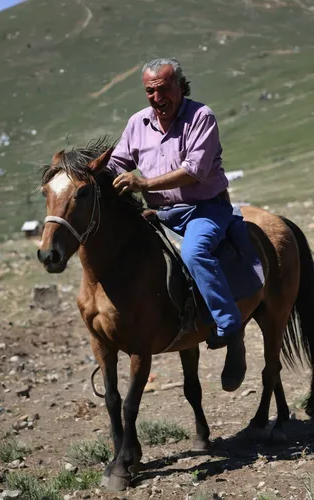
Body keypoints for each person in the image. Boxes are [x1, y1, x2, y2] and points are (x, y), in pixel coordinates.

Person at [107, 57, 246, 391]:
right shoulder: (137, 123)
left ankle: (231, 327)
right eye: (150, 92)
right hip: (160, 214)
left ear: (180, 86)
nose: (157, 98)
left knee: (195, 253)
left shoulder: (201, 117)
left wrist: (143, 184)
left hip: (204, 209)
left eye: (164, 89)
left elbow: (193, 171)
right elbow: (116, 163)